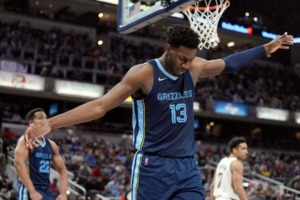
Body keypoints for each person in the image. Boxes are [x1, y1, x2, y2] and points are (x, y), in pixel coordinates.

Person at [24, 24, 293, 199]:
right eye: (182, 59)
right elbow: (100, 106)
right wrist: (53, 123)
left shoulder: (195, 67)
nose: (187, 65)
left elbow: (229, 63)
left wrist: (265, 48)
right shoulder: (144, 74)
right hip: (153, 166)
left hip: (187, 165)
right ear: (169, 49)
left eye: (191, 59)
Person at [14, 108, 68, 200]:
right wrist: (32, 191)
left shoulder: (52, 144)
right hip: (30, 189)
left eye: (46, 117)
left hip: (46, 189)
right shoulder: (25, 140)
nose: (44, 120)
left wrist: (63, 193)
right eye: (40, 117)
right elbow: (18, 164)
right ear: (31, 122)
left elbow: (62, 169)